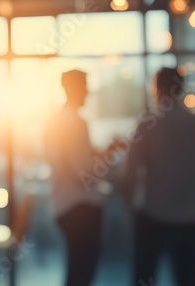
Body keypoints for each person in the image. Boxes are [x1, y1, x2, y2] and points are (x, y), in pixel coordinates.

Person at [122, 68, 195, 286]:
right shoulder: (192, 123)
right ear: (180, 88)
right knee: (187, 278)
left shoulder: (147, 124)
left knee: (144, 277)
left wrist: (129, 208)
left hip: (152, 215)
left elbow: (130, 173)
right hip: (189, 217)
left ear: (156, 89)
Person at [44, 70, 111, 286]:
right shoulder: (76, 123)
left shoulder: (55, 121)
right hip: (81, 207)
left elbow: (70, 162)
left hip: (64, 205)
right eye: (85, 86)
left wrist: (100, 155)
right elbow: (83, 173)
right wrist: (107, 159)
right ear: (75, 88)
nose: (88, 93)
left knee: (77, 270)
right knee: (82, 272)